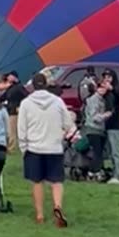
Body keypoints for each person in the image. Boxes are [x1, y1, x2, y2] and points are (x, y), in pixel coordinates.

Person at [18, 73, 74, 227]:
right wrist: (61, 135)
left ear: (33, 86)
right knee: (56, 181)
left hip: (34, 148)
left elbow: (21, 129)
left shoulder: (26, 103)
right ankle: (57, 207)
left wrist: (24, 148)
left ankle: (40, 215)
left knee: (37, 182)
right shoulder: (57, 102)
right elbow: (69, 123)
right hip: (54, 147)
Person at [100, 70, 119, 184]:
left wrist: (112, 89)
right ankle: (112, 172)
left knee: (116, 151)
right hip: (107, 124)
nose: (107, 79)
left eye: (109, 76)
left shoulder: (116, 89)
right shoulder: (106, 91)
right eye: (105, 76)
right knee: (110, 151)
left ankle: (118, 175)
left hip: (115, 124)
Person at [83, 81, 110, 180]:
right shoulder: (94, 99)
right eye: (100, 87)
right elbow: (94, 117)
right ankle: (92, 172)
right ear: (96, 88)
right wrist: (106, 115)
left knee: (98, 152)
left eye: (104, 88)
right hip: (93, 129)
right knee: (97, 152)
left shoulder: (102, 99)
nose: (102, 90)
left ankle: (96, 171)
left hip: (99, 129)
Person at [0, 72, 28, 154]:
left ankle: (11, 148)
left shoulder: (19, 87)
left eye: (9, 76)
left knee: (12, 130)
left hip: (15, 110)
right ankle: (11, 146)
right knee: (12, 129)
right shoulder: (11, 87)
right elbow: (2, 97)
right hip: (10, 109)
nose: (8, 78)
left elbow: (26, 96)